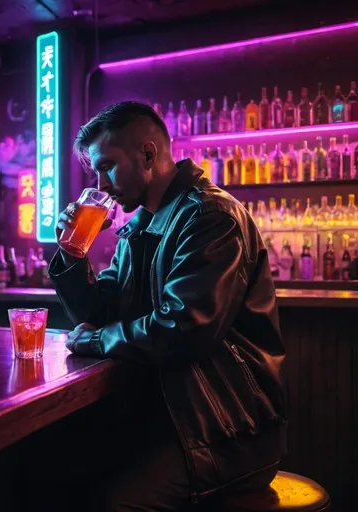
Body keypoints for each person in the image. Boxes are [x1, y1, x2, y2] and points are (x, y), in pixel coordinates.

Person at [48, 101, 287, 511]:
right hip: (168, 418)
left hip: (226, 429)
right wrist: (73, 254)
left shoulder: (211, 217)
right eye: (95, 173)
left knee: (111, 501)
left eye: (106, 167)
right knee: (46, 467)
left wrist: (97, 341)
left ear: (147, 155)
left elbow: (185, 328)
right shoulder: (142, 225)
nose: (101, 185)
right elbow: (102, 310)